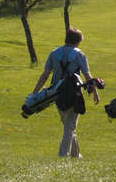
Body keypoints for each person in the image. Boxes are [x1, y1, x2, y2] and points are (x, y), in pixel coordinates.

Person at [32, 28, 100, 158]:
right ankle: (63, 156)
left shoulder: (54, 53)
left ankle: (77, 155)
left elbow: (45, 75)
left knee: (68, 126)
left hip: (57, 93)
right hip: (74, 94)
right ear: (78, 41)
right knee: (69, 127)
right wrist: (95, 93)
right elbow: (88, 76)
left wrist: (35, 92)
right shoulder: (79, 54)